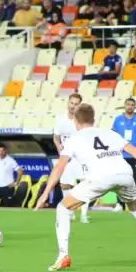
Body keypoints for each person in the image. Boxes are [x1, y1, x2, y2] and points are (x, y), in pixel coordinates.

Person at [34, 103, 136, 271]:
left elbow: (59, 166)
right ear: (94, 120)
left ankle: (63, 255)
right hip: (124, 174)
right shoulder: (110, 133)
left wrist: (46, 192)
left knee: (63, 208)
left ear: (75, 121)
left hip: (99, 178)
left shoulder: (73, 139)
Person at [53, 93, 89, 223]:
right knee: (65, 185)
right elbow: (56, 137)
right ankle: (70, 211)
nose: (73, 106)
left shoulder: (83, 120)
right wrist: (59, 147)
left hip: (80, 157)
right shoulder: (60, 119)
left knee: (85, 184)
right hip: (66, 157)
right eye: (71, 103)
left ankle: (84, 214)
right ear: (68, 103)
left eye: (76, 104)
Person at [112, 98, 136, 194]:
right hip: (121, 155)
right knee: (121, 179)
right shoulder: (118, 119)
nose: (130, 107)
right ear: (125, 105)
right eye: (128, 104)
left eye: (132, 105)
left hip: (135, 155)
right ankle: (121, 201)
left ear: (134, 107)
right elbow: (113, 136)